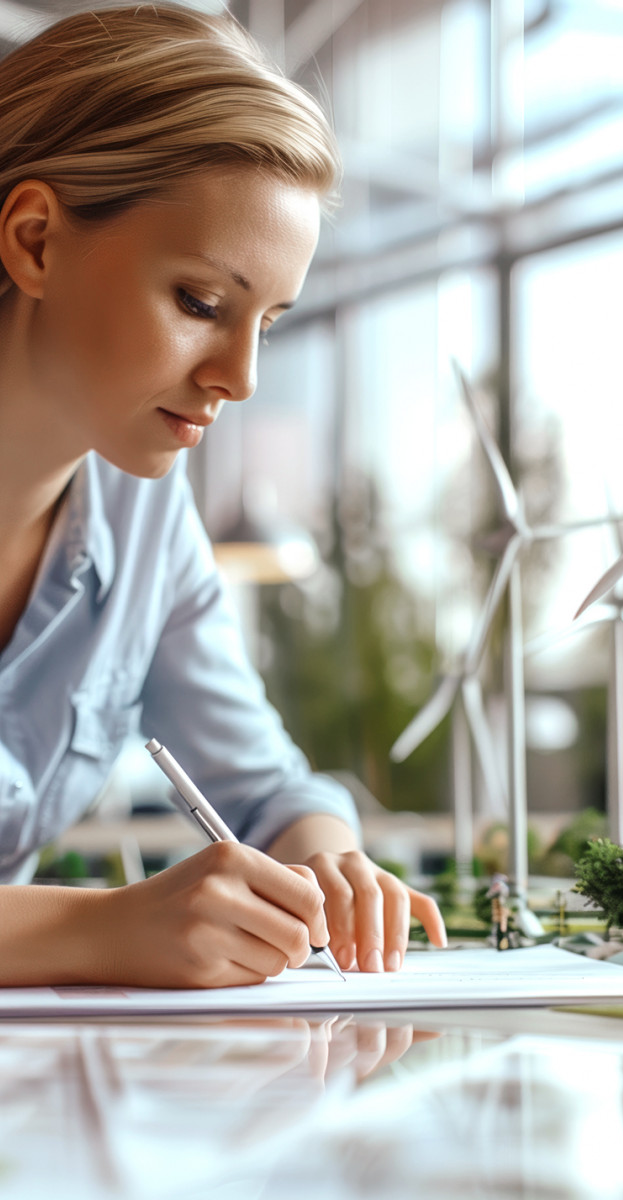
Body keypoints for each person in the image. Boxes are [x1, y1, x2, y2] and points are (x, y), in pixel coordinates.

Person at [0, 4, 446, 987]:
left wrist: (325, 857)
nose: (239, 378)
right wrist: (102, 931)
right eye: (201, 302)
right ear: (34, 240)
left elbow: (268, 788)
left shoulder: (145, 515)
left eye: (269, 322)